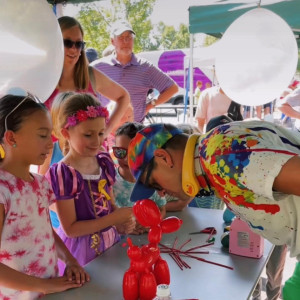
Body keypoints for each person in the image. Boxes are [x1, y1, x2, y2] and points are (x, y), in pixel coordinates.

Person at [127, 122, 300, 300]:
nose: (161, 193)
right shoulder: (212, 155)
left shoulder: (221, 155)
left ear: (164, 158)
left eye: (155, 184)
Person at [0, 93, 89, 298]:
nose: (50, 144)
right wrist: (44, 285)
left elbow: (45, 231)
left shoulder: (40, 183)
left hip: (48, 292)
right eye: (42, 135)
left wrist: (70, 260)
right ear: (11, 137)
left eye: (50, 135)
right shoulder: (2, 190)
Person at [45, 93, 135, 270]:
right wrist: (112, 219)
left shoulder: (103, 161)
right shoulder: (64, 173)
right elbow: (71, 229)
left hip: (110, 242)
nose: (96, 141)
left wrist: (120, 222)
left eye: (101, 133)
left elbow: (110, 204)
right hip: (80, 252)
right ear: (66, 133)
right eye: (88, 134)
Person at [44, 16, 131, 137]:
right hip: (52, 154)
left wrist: (104, 132)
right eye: (67, 43)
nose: (74, 49)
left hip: (91, 153)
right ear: (55, 42)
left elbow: (124, 97)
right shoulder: (41, 78)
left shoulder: (90, 75)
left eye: (79, 44)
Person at [91, 20, 179, 123]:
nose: (126, 41)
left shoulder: (145, 67)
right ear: (112, 41)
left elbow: (172, 88)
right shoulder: (97, 67)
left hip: (134, 132)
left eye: (129, 37)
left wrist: (150, 105)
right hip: (106, 132)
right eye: (121, 37)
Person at [112, 122, 166, 234]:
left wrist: (151, 223)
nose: (126, 159)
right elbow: (106, 216)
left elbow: (161, 209)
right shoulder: (110, 181)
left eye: (134, 153)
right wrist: (124, 227)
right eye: (120, 152)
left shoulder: (153, 180)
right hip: (117, 241)